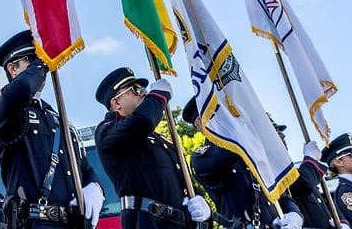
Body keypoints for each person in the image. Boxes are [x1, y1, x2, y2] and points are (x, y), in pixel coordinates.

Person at [0, 30, 104, 228]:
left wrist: (95, 187)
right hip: (35, 222)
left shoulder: (57, 118)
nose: (44, 67)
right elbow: (22, 88)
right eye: (33, 59)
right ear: (13, 68)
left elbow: (83, 166)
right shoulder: (4, 109)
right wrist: (44, 60)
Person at [93, 67, 211, 229]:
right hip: (148, 223)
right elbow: (143, 121)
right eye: (135, 89)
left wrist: (202, 208)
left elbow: (180, 183)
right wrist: (159, 96)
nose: (143, 93)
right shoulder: (107, 132)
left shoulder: (159, 139)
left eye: (143, 89)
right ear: (116, 102)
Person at [184, 99, 303, 229]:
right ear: (200, 122)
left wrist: (294, 214)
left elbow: (281, 194)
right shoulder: (203, 156)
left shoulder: (252, 153)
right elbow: (228, 153)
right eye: (216, 112)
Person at [271, 117, 334, 229]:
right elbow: (304, 183)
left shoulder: (290, 169)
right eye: (275, 131)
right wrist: (310, 159)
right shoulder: (271, 170)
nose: (283, 135)